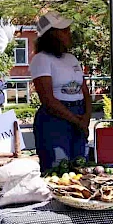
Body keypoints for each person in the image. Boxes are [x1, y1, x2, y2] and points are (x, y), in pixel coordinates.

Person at [31, 11, 92, 171]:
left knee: (80, 168)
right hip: (55, 120)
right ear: (51, 35)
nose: (68, 33)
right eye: (63, 30)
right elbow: (48, 100)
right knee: (58, 170)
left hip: (78, 116)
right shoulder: (41, 59)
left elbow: (85, 91)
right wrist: (77, 121)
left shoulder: (71, 58)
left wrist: (85, 118)